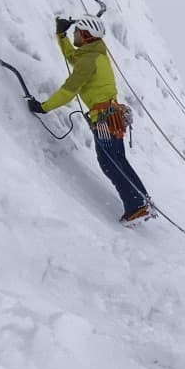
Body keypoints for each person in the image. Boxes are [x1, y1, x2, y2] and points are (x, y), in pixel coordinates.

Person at [29, 15, 151, 224]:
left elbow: (68, 91)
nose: (75, 33)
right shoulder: (94, 54)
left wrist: (43, 107)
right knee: (118, 160)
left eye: (77, 31)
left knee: (109, 163)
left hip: (104, 121)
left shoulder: (88, 60)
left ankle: (136, 205)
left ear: (86, 35)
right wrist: (62, 35)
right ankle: (140, 201)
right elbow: (73, 58)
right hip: (112, 117)